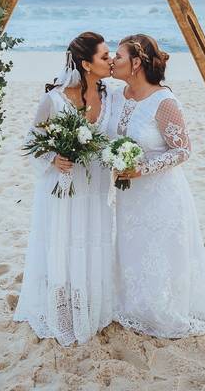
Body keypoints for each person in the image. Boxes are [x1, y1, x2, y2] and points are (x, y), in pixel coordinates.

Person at [13, 31, 122, 345]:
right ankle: (61, 310)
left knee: (91, 240)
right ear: (86, 64)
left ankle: (91, 304)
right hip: (63, 188)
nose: (111, 60)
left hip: (96, 186)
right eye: (104, 56)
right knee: (63, 242)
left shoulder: (111, 95)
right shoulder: (54, 98)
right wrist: (53, 157)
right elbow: (30, 142)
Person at [107, 33, 205, 338]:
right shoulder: (116, 96)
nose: (113, 61)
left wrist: (143, 169)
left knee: (158, 251)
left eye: (119, 56)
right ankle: (132, 306)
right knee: (131, 247)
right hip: (128, 196)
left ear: (137, 62)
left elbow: (183, 150)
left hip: (160, 192)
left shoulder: (163, 101)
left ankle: (160, 309)